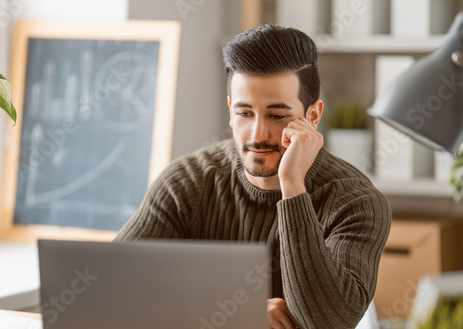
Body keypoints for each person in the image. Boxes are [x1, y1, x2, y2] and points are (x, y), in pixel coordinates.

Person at [114, 24, 391, 329]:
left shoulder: (355, 202)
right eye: (245, 113)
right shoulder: (186, 184)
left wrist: (292, 185)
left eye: (277, 116)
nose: (257, 134)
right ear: (231, 110)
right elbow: (109, 289)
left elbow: (326, 322)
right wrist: (240, 312)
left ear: (312, 117)